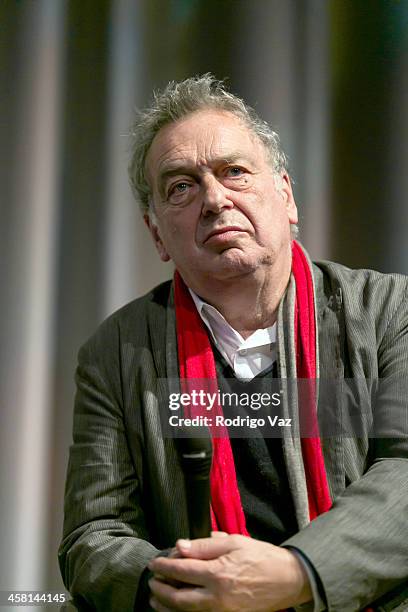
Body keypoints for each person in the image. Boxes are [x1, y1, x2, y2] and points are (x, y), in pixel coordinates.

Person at [59, 75, 408, 612]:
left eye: (234, 172)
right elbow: (94, 536)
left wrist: (298, 572)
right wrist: (184, 586)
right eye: (181, 187)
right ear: (156, 234)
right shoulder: (115, 353)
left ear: (286, 196)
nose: (215, 200)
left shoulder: (389, 311)